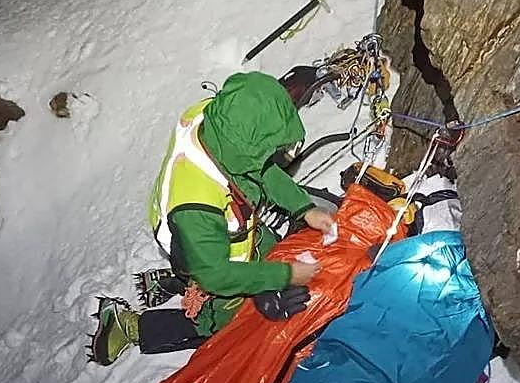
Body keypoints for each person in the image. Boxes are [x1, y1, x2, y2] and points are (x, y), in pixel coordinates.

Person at [88, 71, 336, 366]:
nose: (277, 155)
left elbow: (260, 167)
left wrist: (303, 208)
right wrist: (283, 277)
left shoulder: (218, 119)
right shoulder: (197, 204)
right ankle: (128, 326)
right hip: (200, 244)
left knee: (269, 251)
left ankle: (178, 280)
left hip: (224, 233)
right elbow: (217, 275)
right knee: (223, 324)